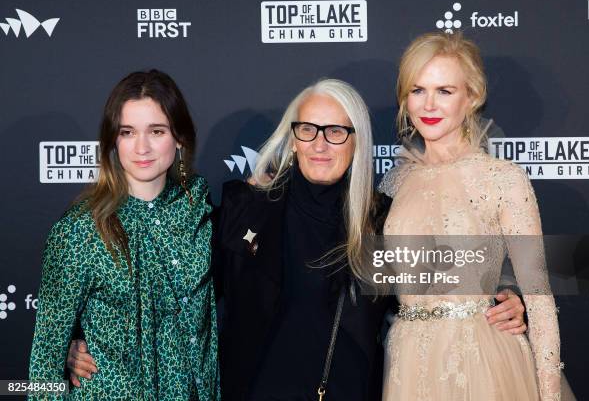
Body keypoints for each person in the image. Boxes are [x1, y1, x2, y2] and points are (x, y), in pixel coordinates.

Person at [66, 78, 527, 400]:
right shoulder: (247, 207)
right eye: (307, 129)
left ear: (356, 140)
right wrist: (83, 340)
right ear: (293, 137)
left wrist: (510, 289)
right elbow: (179, 293)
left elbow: (458, 270)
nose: (320, 143)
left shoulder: (380, 220)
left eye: (335, 131)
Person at [379, 32, 566, 400]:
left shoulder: (502, 177)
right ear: (404, 97)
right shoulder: (392, 183)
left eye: (445, 91)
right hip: (407, 364)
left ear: (472, 97)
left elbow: (540, 299)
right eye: (417, 90)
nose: (429, 105)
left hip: (482, 362)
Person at [29, 70, 220, 400]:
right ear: (113, 141)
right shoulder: (80, 230)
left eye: (156, 131)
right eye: (127, 132)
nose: (142, 147)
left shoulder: (200, 211)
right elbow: (45, 361)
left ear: (179, 137)